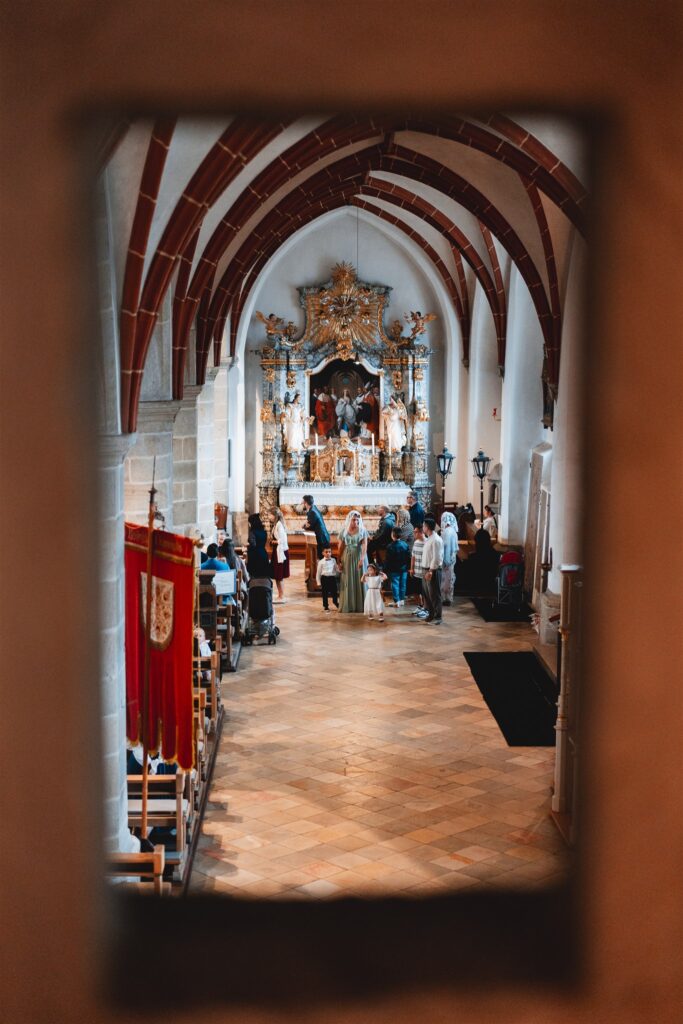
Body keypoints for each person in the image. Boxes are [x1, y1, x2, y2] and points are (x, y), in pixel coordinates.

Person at [338, 509, 368, 614]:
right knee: (348, 579)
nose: (355, 522)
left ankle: (361, 605)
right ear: (349, 519)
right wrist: (338, 560)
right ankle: (349, 605)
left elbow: (364, 545)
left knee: (359, 579)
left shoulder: (362, 530)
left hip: (359, 556)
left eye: (357, 520)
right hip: (347, 557)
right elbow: (340, 546)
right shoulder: (344, 531)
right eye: (353, 520)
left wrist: (362, 559)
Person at [464, 528, 501, 595]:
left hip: (476, 587)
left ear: (478, 542)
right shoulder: (496, 555)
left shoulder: (473, 557)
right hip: (491, 586)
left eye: (476, 542)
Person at [421, 515, 444, 624]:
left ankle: (438, 616)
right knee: (427, 594)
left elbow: (437, 557)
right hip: (425, 569)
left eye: (423, 526)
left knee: (434, 594)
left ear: (427, 527)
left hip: (432, 570)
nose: (422, 528)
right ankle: (431, 614)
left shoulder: (436, 540)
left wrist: (431, 571)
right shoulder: (429, 538)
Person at [384, 526, 411, 607]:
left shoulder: (389, 546)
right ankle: (402, 600)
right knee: (403, 584)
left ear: (392, 535)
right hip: (404, 568)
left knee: (395, 585)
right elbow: (408, 557)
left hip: (394, 569)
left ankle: (397, 601)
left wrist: (385, 569)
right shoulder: (405, 545)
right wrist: (408, 567)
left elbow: (388, 560)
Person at [269, 508, 290, 603]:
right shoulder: (276, 524)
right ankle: (280, 595)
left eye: (270, 514)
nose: (269, 516)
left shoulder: (279, 525)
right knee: (277, 575)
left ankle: (281, 596)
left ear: (274, 515)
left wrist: (274, 542)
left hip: (280, 553)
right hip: (277, 552)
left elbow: (282, 540)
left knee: (279, 575)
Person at [302, 494, 330, 558]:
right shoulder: (313, 508)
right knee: (324, 557)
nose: (301, 504)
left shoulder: (312, 512)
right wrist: (305, 524)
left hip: (322, 539)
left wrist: (303, 526)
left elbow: (309, 526)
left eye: (303, 502)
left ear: (306, 503)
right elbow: (309, 522)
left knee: (323, 557)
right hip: (323, 536)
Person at [440, 511, 459, 606]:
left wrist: (446, 560)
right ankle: (449, 597)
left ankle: (445, 598)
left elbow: (446, 546)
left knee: (446, 578)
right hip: (452, 558)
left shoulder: (447, 531)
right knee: (450, 577)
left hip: (447, 559)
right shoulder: (453, 530)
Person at [409, 523, 428, 617]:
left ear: (421, 532)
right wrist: (411, 569)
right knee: (416, 592)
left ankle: (426, 609)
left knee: (424, 593)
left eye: (415, 532)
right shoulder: (416, 542)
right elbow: (413, 556)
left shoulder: (427, 542)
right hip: (416, 571)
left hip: (423, 572)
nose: (414, 534)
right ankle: (420, 606)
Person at [316, 545, 340, 612]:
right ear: (323, 553)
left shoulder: (333, 560)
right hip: (324, 578)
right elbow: (318, 573)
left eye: (329, 552)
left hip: (332, 578)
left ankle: (335, 602)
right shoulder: (321, 562)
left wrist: (340, 570)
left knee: (334, 592)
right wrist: (318, 583)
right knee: (325, 593)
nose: (328, 553)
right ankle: (326, 606)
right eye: (326, 552)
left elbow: (336, 568)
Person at [246, 513, 271, 578]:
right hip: (263, 554)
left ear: (252, 523)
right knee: (263, 576)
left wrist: (248, 545)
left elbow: (253, 545)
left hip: (255, 556)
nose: (249, 524)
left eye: (249, 522)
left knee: (255, 577)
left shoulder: (252, 532)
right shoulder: (264, 532)